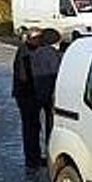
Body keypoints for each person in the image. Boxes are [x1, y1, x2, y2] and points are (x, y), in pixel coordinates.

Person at [12, 29, 44, 168]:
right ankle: (32, 159)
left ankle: (35, 157)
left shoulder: (31, 50)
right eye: (37, 39)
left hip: (29, 95)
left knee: (34, 127)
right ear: (30, 39)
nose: (39, 41)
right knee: (30, 127)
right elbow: (23, 77)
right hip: (26, 96)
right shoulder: (24, 53)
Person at [29, 28, 63, 153]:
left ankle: (42, 151)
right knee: (52, 125)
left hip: (39, 93)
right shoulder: (53, 54)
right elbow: (55, 74)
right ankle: (51, 151)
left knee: (41, 125)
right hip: (51, 95)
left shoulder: (36, 53)